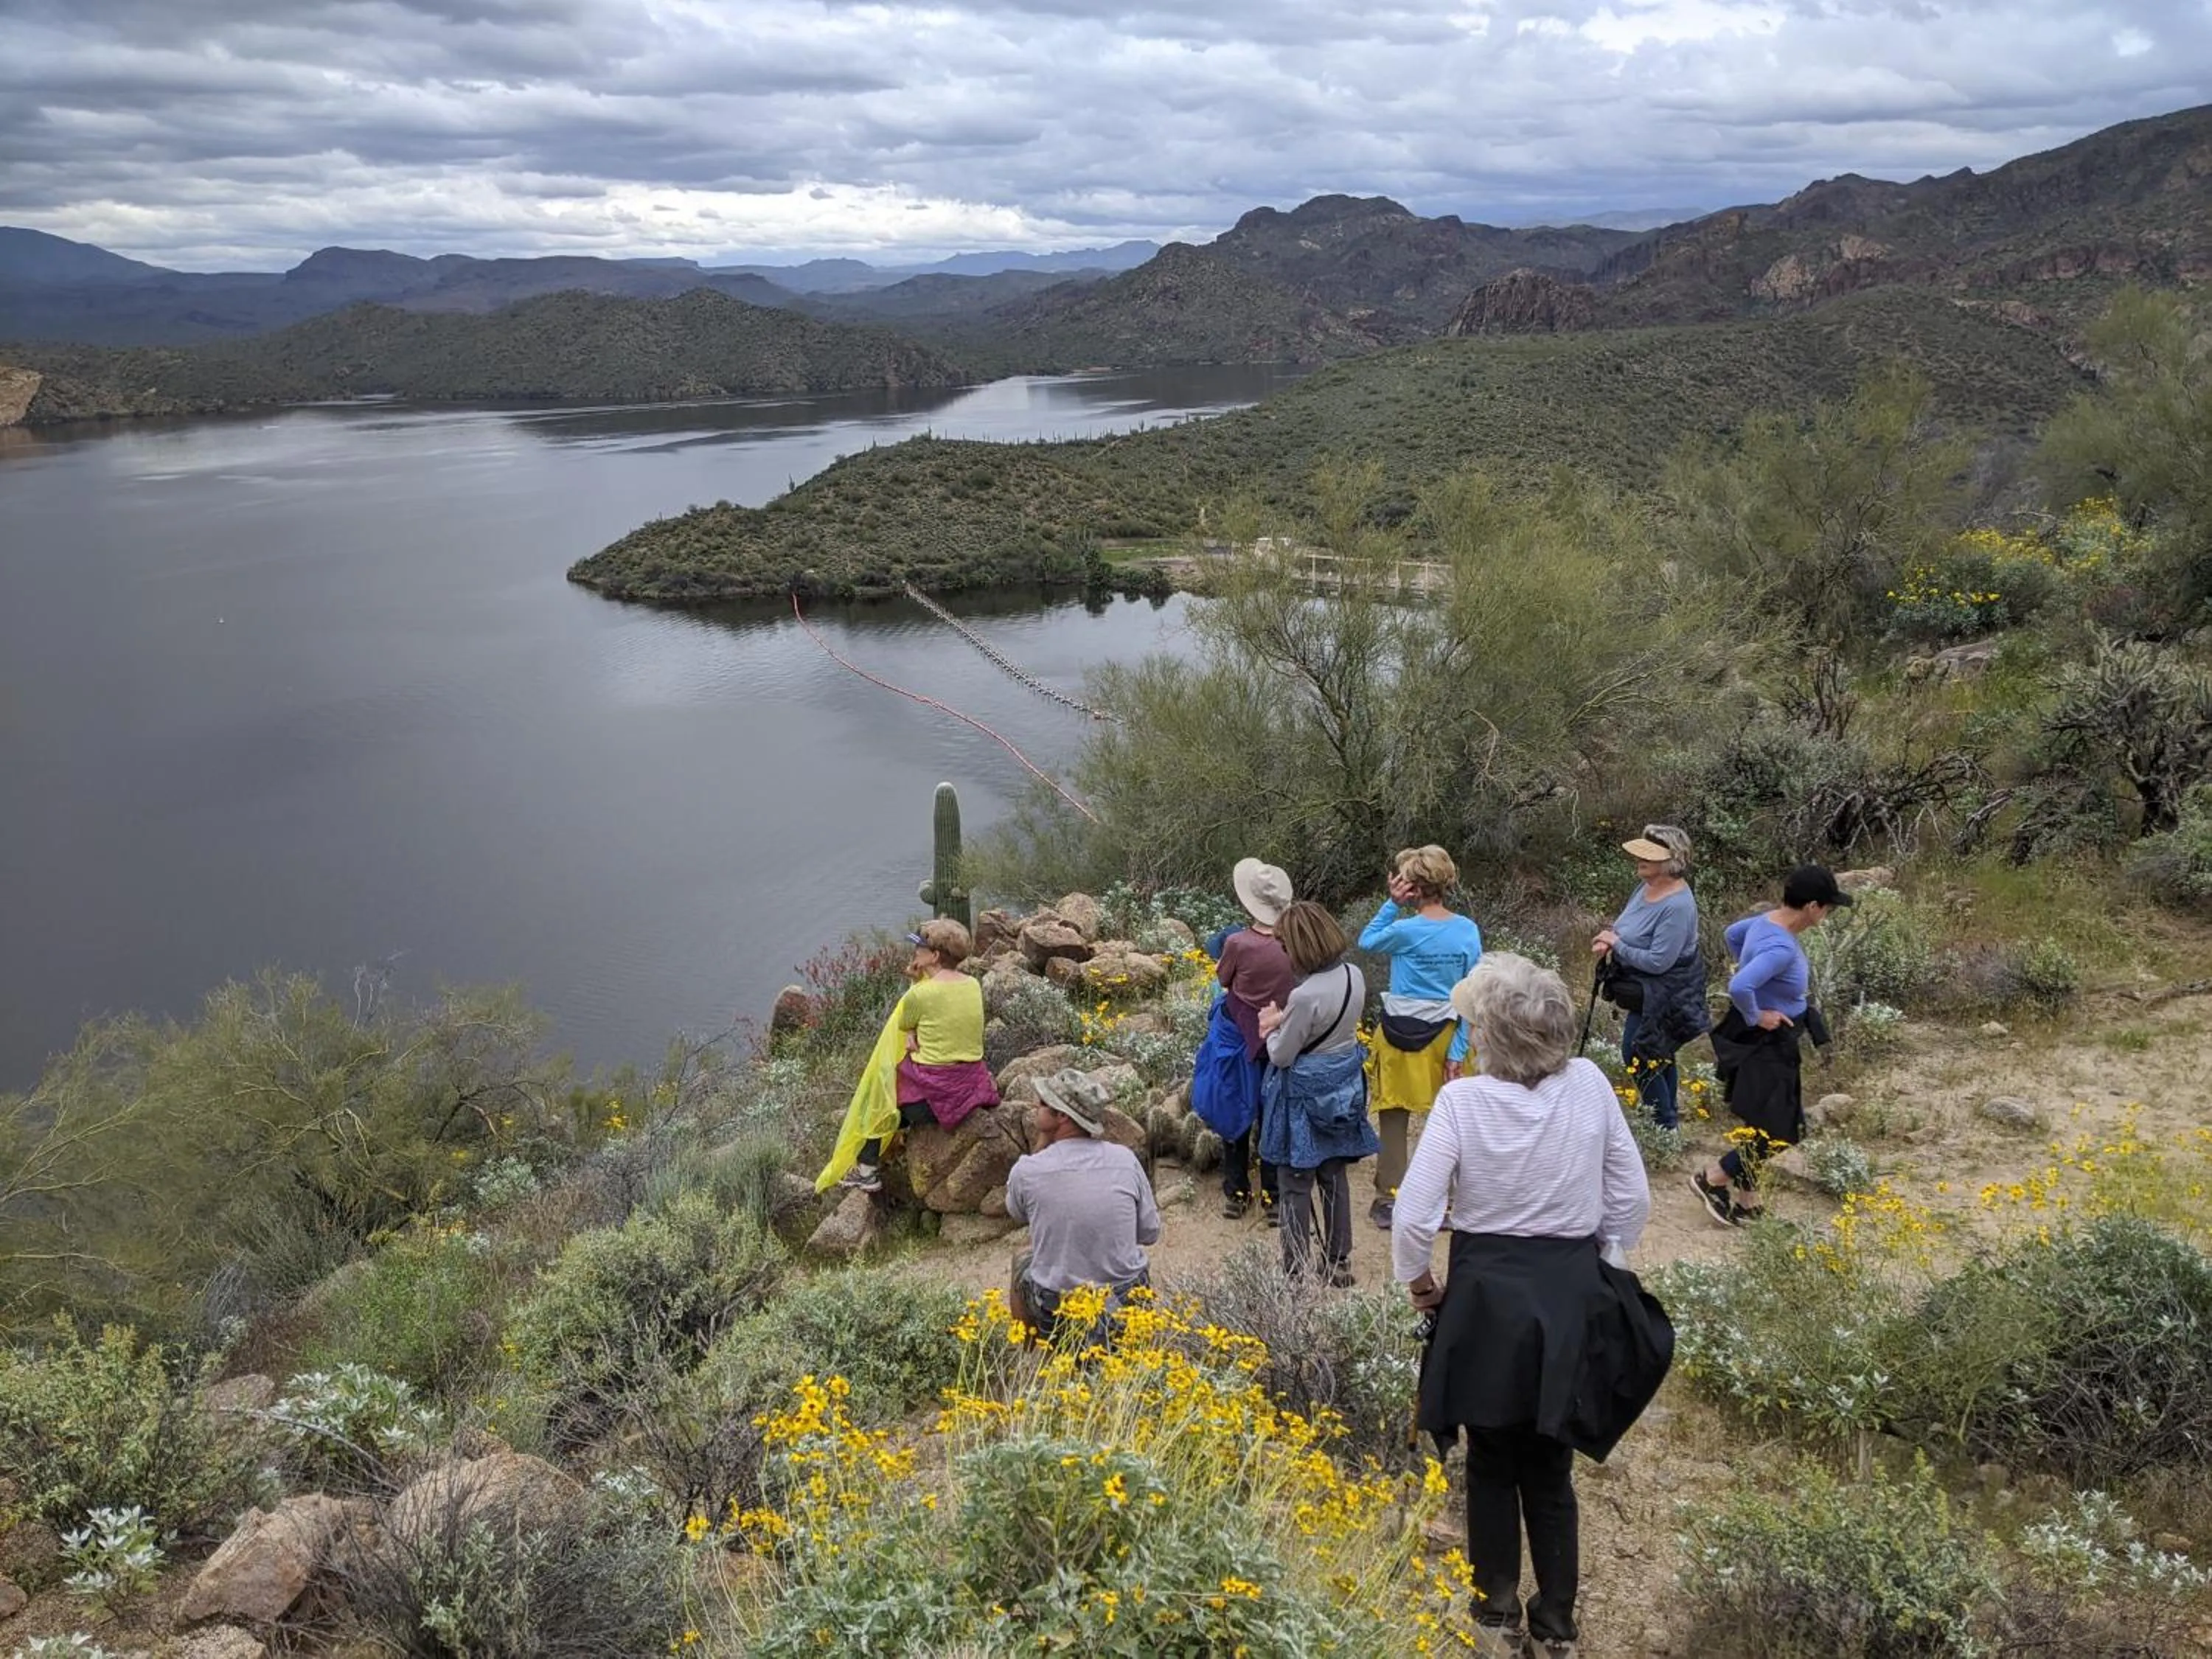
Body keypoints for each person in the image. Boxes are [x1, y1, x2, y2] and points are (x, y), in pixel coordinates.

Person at [1394, 955, 1669, 1659]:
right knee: (1551, 1465)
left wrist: (1420, 1285)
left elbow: (1414, 1216)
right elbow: (1631, 1195)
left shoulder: (1462, 1102)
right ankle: (1556, 1625)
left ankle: (1494, 1611)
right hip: (1568, 1290)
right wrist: (1604, 1265)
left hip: (1486, 1296)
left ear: (1491, 1033)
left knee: (1491, 1458)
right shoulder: (1589, 1084)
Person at [1691, 865, 1849, 1227]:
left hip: (1760, 1041)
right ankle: (1714, 1177)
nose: (1828, 913)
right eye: (1828, 907)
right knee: (1782, 1129)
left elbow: (1732, 934)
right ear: (1812, 907)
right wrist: (1758, 1014)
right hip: (1767, 1041)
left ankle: (1748, 1203)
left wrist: (1755, 976)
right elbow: (1739, 986)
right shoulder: (1781, 948)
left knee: (1761, 1120)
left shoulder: (1765, 923)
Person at [819, 919, 998, 1194]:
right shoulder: (973, 984)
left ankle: (867, 1171)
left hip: (931, 1103)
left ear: (935, 956)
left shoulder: (920, 994)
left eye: (920, 947)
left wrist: (915, 984)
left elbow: (905, 1022)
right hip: (971, 1089)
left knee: (880, 1094)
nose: (915, 952)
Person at [1358, 844, 1484, 1230]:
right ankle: (1444, 1203)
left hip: (1398, 1035)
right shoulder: (1467, 931)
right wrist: (1458, 1050)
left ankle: (1389, 1199)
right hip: (1446, 1036)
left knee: (1394, 1115)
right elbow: (1472, 994)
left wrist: (1392, 904)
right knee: (1447, 1120)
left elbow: (1367, 941)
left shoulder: (1404, 931)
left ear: (1411, 886)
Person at [1258, 900, 1379, 1286]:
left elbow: (1282, 1055)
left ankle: (1295, 1272)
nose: (1284, 953)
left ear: (1300, 946)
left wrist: (1271, 1027)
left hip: (1304, 1102)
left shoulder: (1303, 995)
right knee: (1334, 1174)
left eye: (1285, 945)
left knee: (1295, 1183)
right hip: (1342, 1092)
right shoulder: (1354, 975)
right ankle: (1338, 1261)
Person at [1005, 1068, 1162, 1338]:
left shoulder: (1028, 1171)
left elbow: (1018, 1213)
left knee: (1021, 1259)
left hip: (1061, 1307)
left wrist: (1042, 1142)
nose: (1034, 1105)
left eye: (1042, 1102)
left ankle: (1033, 1346)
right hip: (1125, 1299)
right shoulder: (1125, 1160)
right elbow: (1149, 1233)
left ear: (1062, 1116)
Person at [1192, 858, 1296, 1221]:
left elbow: (1223, 979)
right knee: (1272, 1114)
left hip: (1238, 1034)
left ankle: (1237, 1192)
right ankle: (1273, 1196)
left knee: (1233, 1106)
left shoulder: (1237, 943)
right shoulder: (1293, 943)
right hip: (1278, 1035)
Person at [1590, 826, 1708, 1131]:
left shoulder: (1678, 906)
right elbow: (1627, 927)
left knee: (1638, 1051)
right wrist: (1610, 938)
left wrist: (1618, 945)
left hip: (1669, 990)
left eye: (1649, 855)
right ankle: (1668, 1122)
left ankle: (1662, 1125)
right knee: (1657, 1050)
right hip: (1645, 989)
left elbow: (1659, 962)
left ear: (1671, 861)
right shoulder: (1645, 887)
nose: (1639, 859)